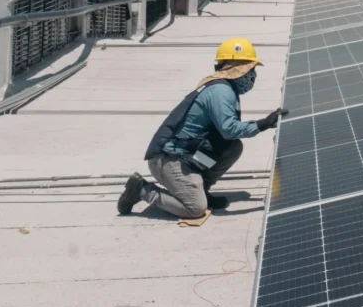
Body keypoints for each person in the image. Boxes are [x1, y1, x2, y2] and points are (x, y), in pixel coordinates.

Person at [117, 37, 285, 219]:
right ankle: (142, 190)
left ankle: (201, 189)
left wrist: (262, 125)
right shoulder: (221, 91)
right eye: (250, 69)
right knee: (196, 209)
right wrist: (262, 124)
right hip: (168, 160)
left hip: (186, 155)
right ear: (237, 68)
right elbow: (229, 129)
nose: (252, 76)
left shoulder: (225, 88)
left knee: (232, 147)